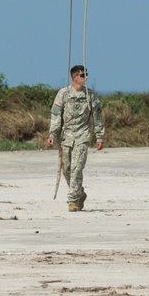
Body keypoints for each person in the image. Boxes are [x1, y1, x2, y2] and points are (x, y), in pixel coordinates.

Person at [47, 65, 105, 212]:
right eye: (82, 75)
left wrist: (100, 136)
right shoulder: (63, 94)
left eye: (86, 74)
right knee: (67, 169)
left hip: (82, 136)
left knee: (77, 169)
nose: (86, 77)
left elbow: (97, 117)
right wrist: (52, 134)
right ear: (75, 77)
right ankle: (80, 193)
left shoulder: (90, 95)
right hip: (66, 137)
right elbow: (56, 115)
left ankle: (73, 201)